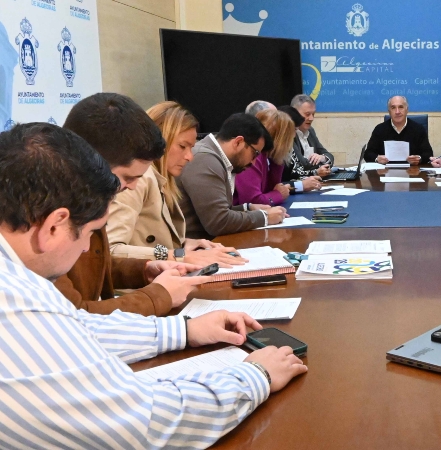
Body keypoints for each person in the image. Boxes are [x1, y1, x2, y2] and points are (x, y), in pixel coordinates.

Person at [0, 122, 307, 448]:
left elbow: (77, 327)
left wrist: (184, 331)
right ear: (54, 226)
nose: (88, 250)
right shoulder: (15, 299)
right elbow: (142, 423)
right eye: (90, 233)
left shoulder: (19, 282)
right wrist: (254, 377)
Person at [54, 93, 208, 316]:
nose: (132, 187)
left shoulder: (85, 198)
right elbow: (77, 318)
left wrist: (142, 270)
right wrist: (161, 290)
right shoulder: (49, 212)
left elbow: (94, 264)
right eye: (127, 178)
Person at [107, 101, 245, 268]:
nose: (189, 157)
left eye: (191, 148)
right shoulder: (138, 178)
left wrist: (184, 244)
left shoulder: (160, 177)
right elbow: (111, 249)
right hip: (140, 287)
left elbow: (147, 239)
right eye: (182, 146)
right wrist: (178, 255)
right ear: (160, 140)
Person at [177, 113, 287, 240]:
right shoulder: (205, 159)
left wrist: (248, 208)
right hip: (192, 248)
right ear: (238, 142)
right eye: (255, 153)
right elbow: (218, 222)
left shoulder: (214, 157)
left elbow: (217, 210)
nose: (254, 162)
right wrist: (265, 217)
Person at [234, 109, 299, 207]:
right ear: (282, 139)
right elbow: (252, 201)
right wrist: (278, 195)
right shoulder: (254, 155)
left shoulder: (267, 156)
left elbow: (271, 189)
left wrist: (278, 159)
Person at [365, 95, 434, 165]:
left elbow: (428, 154)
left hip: (413, 172)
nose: (397, 112)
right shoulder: (379, 129)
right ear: (389, 111)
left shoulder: (418, 129)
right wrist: (377, 158)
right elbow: (368, 154)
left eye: (401, 107)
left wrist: (419, 158)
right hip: (385, 172)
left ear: (407, 110)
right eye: (393, 107)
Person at [284, 94, 333, 180]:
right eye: (307, 114)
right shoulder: (288, 134)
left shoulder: (311, 131)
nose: (311, 118)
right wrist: (317, 169)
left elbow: (328, 154)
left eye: (313, 114)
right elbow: (302, 165)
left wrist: (322, 158)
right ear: (295, 113)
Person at [279, 104, 323, 193]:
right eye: (294, 129)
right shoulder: (271, 153)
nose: (295, 135)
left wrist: (311, 176)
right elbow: (274, 187)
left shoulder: (287, 146)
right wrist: (301, 185)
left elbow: (296, 171)